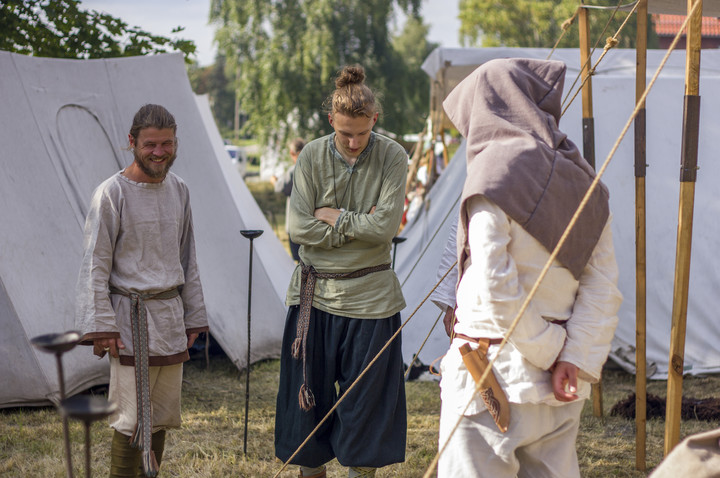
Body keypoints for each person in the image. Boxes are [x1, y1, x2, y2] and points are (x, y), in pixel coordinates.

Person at [436, 58, 622, 477]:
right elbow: (603, 287)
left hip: (492, 376)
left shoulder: (494, 172)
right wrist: (571, 358)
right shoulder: (584, 180)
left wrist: (551, 352)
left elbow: (492, 281)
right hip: (557, 384)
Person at [274, 65, 408, 478]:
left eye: (362, 133)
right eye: (345, 132)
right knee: (305, 408)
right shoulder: (312, 155)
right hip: (314, 299)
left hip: (372, 301)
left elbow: (385, 228)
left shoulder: (393, 156)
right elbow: (297, 229)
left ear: (375, 120)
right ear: (331, 119)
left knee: (365, 410)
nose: (353, 143)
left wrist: (333, 219)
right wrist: (358, 227)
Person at [75, 104, 208, 478]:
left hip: (168, 318)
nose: (159, 152)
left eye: (167, 143)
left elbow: (188, 257)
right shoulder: (111, 193)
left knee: (162, 414)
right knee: (130, 416)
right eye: (150, 144)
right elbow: (94, 263)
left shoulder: (179, 189)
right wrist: (102, 323)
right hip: (128, 319)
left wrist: (194, 315)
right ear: (132, 142)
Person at [271, 137, 306, 261]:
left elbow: (282, 187)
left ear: (292, 153)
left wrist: (274, 181)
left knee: (297, 260)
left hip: (295, 222)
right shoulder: (312, 168)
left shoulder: (294, 170)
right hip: (309, 223)